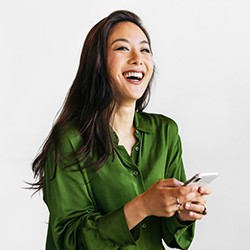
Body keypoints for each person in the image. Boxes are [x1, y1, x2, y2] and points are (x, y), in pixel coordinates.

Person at [31, 10, 211, 250]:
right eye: (122, 48)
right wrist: (143, 205)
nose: (138, 58)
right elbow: (71, 241)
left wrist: (182, 213)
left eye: (145, 49)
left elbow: (170, 235)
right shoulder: (69, 140)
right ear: (97, 62)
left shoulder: (165, 133)